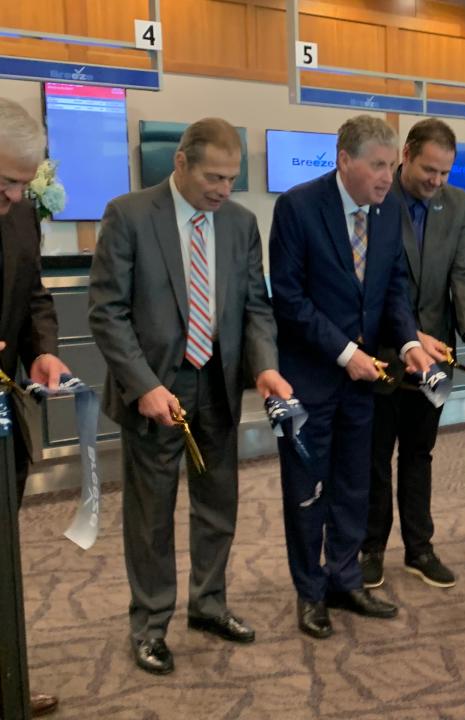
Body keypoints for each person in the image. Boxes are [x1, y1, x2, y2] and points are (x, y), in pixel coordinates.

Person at [89, 118, 292, 675]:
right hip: (156, 387)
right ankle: (150, 624)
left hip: (218, 386)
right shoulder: (129, 215)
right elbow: (107, 312)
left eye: (232, 178)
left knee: (217, 506)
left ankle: (208, 605)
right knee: (151, 515)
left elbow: (255, 308)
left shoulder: (241, 223)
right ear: (180, 163)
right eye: (214, 177)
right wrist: (144, 385)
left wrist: (266, 369)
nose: (224, 189)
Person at [269, 115, 433, 640]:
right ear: (345, 160)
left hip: (365, 382)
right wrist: (344, 353)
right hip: (309, 380)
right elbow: (289, 300)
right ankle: (310, 592)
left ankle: (343, 578)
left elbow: (392, 289)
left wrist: (408, 341)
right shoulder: (297, 207)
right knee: (306, 490)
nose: (388, 177)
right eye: (378, 166)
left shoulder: (388, 213)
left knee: (352, 487)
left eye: (392, 165)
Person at [361, 118, 465, 590]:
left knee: (419, 454)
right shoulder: (377, 199)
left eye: (445, 173)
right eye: (429, 170)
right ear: (407, 155)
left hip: (434, 357)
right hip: (379, 353)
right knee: (375, 457)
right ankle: (371, 547)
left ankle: (420, 548)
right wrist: (406, 336)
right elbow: (369, 287)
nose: (437, 181)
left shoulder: (455, 205)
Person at [0, 96, 69, 717]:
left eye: (25, 184)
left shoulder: (20, 215)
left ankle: (8, 683)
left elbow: (34, 296)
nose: (17, 198)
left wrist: (42, 351)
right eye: (5, 184)